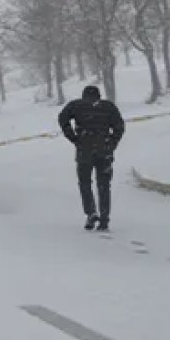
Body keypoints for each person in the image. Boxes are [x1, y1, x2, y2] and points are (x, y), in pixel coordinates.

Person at [57, 85, 125, 231]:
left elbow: (62, 118)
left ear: (84, 96)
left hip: (84, 151)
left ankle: (91, 212)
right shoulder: (108, 107)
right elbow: (119, 126)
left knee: (85, 183)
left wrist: (73, 138)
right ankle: (104, 219)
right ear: (99, 96)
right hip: (104, 151)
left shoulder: (76, 106)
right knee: (104, 185)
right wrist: (111, 143)